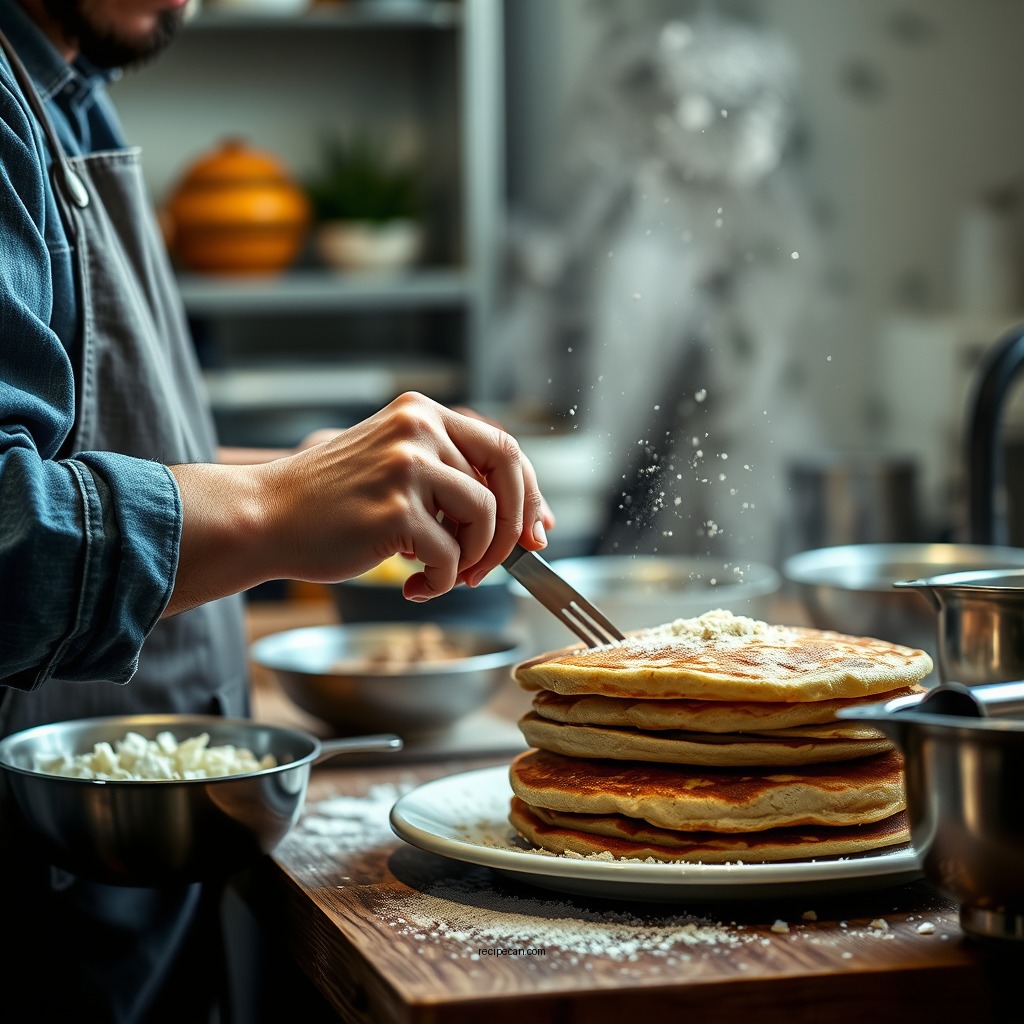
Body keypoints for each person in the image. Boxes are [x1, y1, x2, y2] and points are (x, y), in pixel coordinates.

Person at [0, 0, 554, 1020]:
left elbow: (98, 453)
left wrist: (321, 472)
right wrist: (272, 505)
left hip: (123, 878)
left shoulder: (73, 94)